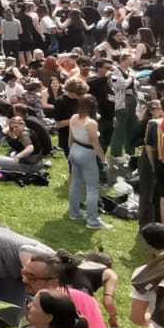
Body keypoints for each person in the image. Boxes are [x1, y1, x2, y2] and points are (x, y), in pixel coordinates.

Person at [63, 94, 106, 230]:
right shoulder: (91, 123)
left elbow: (70, 138)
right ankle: (92, 221)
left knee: (76, 183)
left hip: (75, 150)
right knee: (92, 188)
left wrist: (71, 152)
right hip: (87, 153)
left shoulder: (74, 117)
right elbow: (96, 144)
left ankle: (74, 213)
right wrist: (103, 159)